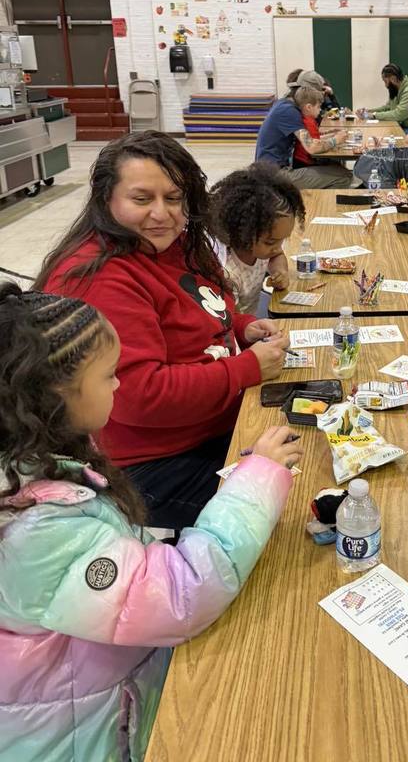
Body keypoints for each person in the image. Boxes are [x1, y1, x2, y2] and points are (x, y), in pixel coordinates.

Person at [0, 284, 302, 762]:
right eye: (108, 376)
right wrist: (258, 480)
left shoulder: (35, 469)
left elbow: (121, 561)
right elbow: (182, 595)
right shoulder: (38, 529)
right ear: (53, 398)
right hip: (80, 735)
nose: (119, 385)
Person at [37, 131, 289, 529]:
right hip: (153, 464)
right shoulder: (99, 276)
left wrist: (243, 328)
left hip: (217, 422)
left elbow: (207, 308)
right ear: (107, 200)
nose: (161, 214)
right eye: (142, 199)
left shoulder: (178, 242)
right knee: (293, 504)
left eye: (173, 199)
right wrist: (247, 369)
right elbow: (141, 396)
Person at [210, 163, 305, 314]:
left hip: (252, 317)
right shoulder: (228, 273)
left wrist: (280, 271)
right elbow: (229, 321)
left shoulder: (263, 249)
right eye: (271, 242)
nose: (278, 247)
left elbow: (277, 255)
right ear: (243, 235)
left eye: (282, 239)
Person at [256, 72, 352, 189]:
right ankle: (316, 206)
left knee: (337, 168)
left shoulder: (285, 104)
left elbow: (308, 138)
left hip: (272, 168)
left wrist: (330, 135)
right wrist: (335, 140)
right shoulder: (289, 111)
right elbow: (311, 147)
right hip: (274, 174)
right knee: (344, 176)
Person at [361, 63, 408, 128]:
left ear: (393, 79)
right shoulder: (397, 89)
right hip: (401, 126)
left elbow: (399, 115)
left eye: (385, 81)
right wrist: (369, 111)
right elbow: (388, 107)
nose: (386, 85)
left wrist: (374, 115)